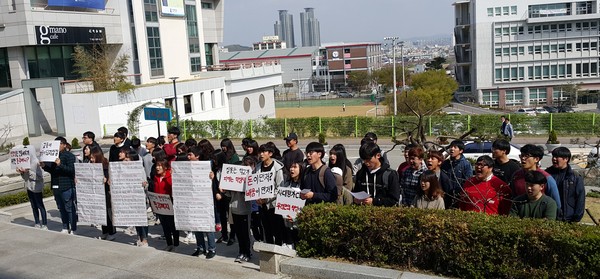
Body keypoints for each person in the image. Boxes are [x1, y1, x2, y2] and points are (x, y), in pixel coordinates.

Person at [40, 137, 77, 234]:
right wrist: (45, 166)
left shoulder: (69, 156)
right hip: (56, 185)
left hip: (67, 185)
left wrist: (60, 164)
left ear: (64, 145)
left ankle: (73, 228)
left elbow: (71, 170)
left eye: (59, 144)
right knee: (61, 207)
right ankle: (65, 226)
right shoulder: (53, 156)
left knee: (69, 207)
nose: (57, 146)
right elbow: (52, 170)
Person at [188, 146, 218, 259]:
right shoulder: (186, 167)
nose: (188, 157)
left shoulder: (206, 166)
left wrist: (212, 177)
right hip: (192, 200)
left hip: (205, 200)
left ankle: (212, 248)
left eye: (190, 154)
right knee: (196, 225)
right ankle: (200, 247)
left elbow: (214, 183)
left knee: (207, 225)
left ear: (197, 156)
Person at [511, 144, 561, 210]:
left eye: (527, 156)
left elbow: (556, 204)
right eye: (522, 155)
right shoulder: (516, 176)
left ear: (536, 159)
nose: (523, 158)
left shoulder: (546, 178)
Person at [353, 142, 400, 206]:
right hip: (363, 212)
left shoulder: (390, 174)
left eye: (368, 159)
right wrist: (356, 200)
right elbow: (356, 192)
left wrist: (374, 201)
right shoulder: (361, 173)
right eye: (364, 159)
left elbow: (394, 199)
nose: (366, 162)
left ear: (378, 155)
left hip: (383, 213)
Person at [545, 147, 585, 222]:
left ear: (566, 159)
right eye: (553, 156)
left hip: (568, 217)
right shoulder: (547, 174)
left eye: (557, 157)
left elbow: (580, 198)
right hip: (550, 216)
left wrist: (577, 217)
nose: (554, 159)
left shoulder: (575, 177)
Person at [256, 142, 285, 245]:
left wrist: (267, 199)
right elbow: (255, 184)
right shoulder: (258, 167)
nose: (261, 154)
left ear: (270, 154)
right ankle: (268, 253)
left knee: (277, 230)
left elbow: (279, 189)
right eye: (260, 152)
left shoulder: (277, 168)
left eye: (264, 152)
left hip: (274, 205)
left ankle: (278, 251)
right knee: (266, 230)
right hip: (262, 205)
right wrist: (257, 197)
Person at [229, 156, 257, 262]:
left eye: (250, 165)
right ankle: (241, 252)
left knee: (246, 233)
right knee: (238, 233)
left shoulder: (253, 178)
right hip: (235, 207)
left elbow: (253, 193)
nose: (248, 167)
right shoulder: (236, 176)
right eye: (245, 165)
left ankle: (247, 252)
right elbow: (228, 193)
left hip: (245, 210)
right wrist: (224, 189)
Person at [89, 146, 116, 241]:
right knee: (101, 213)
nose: (91, 160)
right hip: (97, 193)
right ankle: (104, 231)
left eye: (93, 158)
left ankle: (111, 232)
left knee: (108, 214)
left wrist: (106, 179)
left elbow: (111, 179)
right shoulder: (92, 166)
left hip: (106, 193)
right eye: (90, 158)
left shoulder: (106, 166)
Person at [152, 159, 179, 251]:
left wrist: (171, 176)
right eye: (156, 165)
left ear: (165, 167)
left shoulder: (170, 177)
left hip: (170, 204)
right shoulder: (156, 177)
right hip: (159, 205)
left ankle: (176, 244)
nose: (157, 167)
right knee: (164, 226)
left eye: (160, 166)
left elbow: (174, 188)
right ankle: (169, 243)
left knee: (172, 225)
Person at [17, 144, 47, 229]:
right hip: (29, 187)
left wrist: (29, 172)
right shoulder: (25, 163)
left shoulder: (37, 162)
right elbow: (25, 178)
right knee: (33, 206)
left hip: (36, 188)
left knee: (40, 205)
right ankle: (37, 222)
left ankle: (44, 223)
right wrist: (22, 172)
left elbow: (40, 177)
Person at [281, 161, 304, 249]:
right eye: (291, 167)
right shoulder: (287, 184)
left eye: (295, 167)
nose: (292, 169)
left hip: (298, 219)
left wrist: (295, 216)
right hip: (287, 219)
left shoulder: (303, 184)